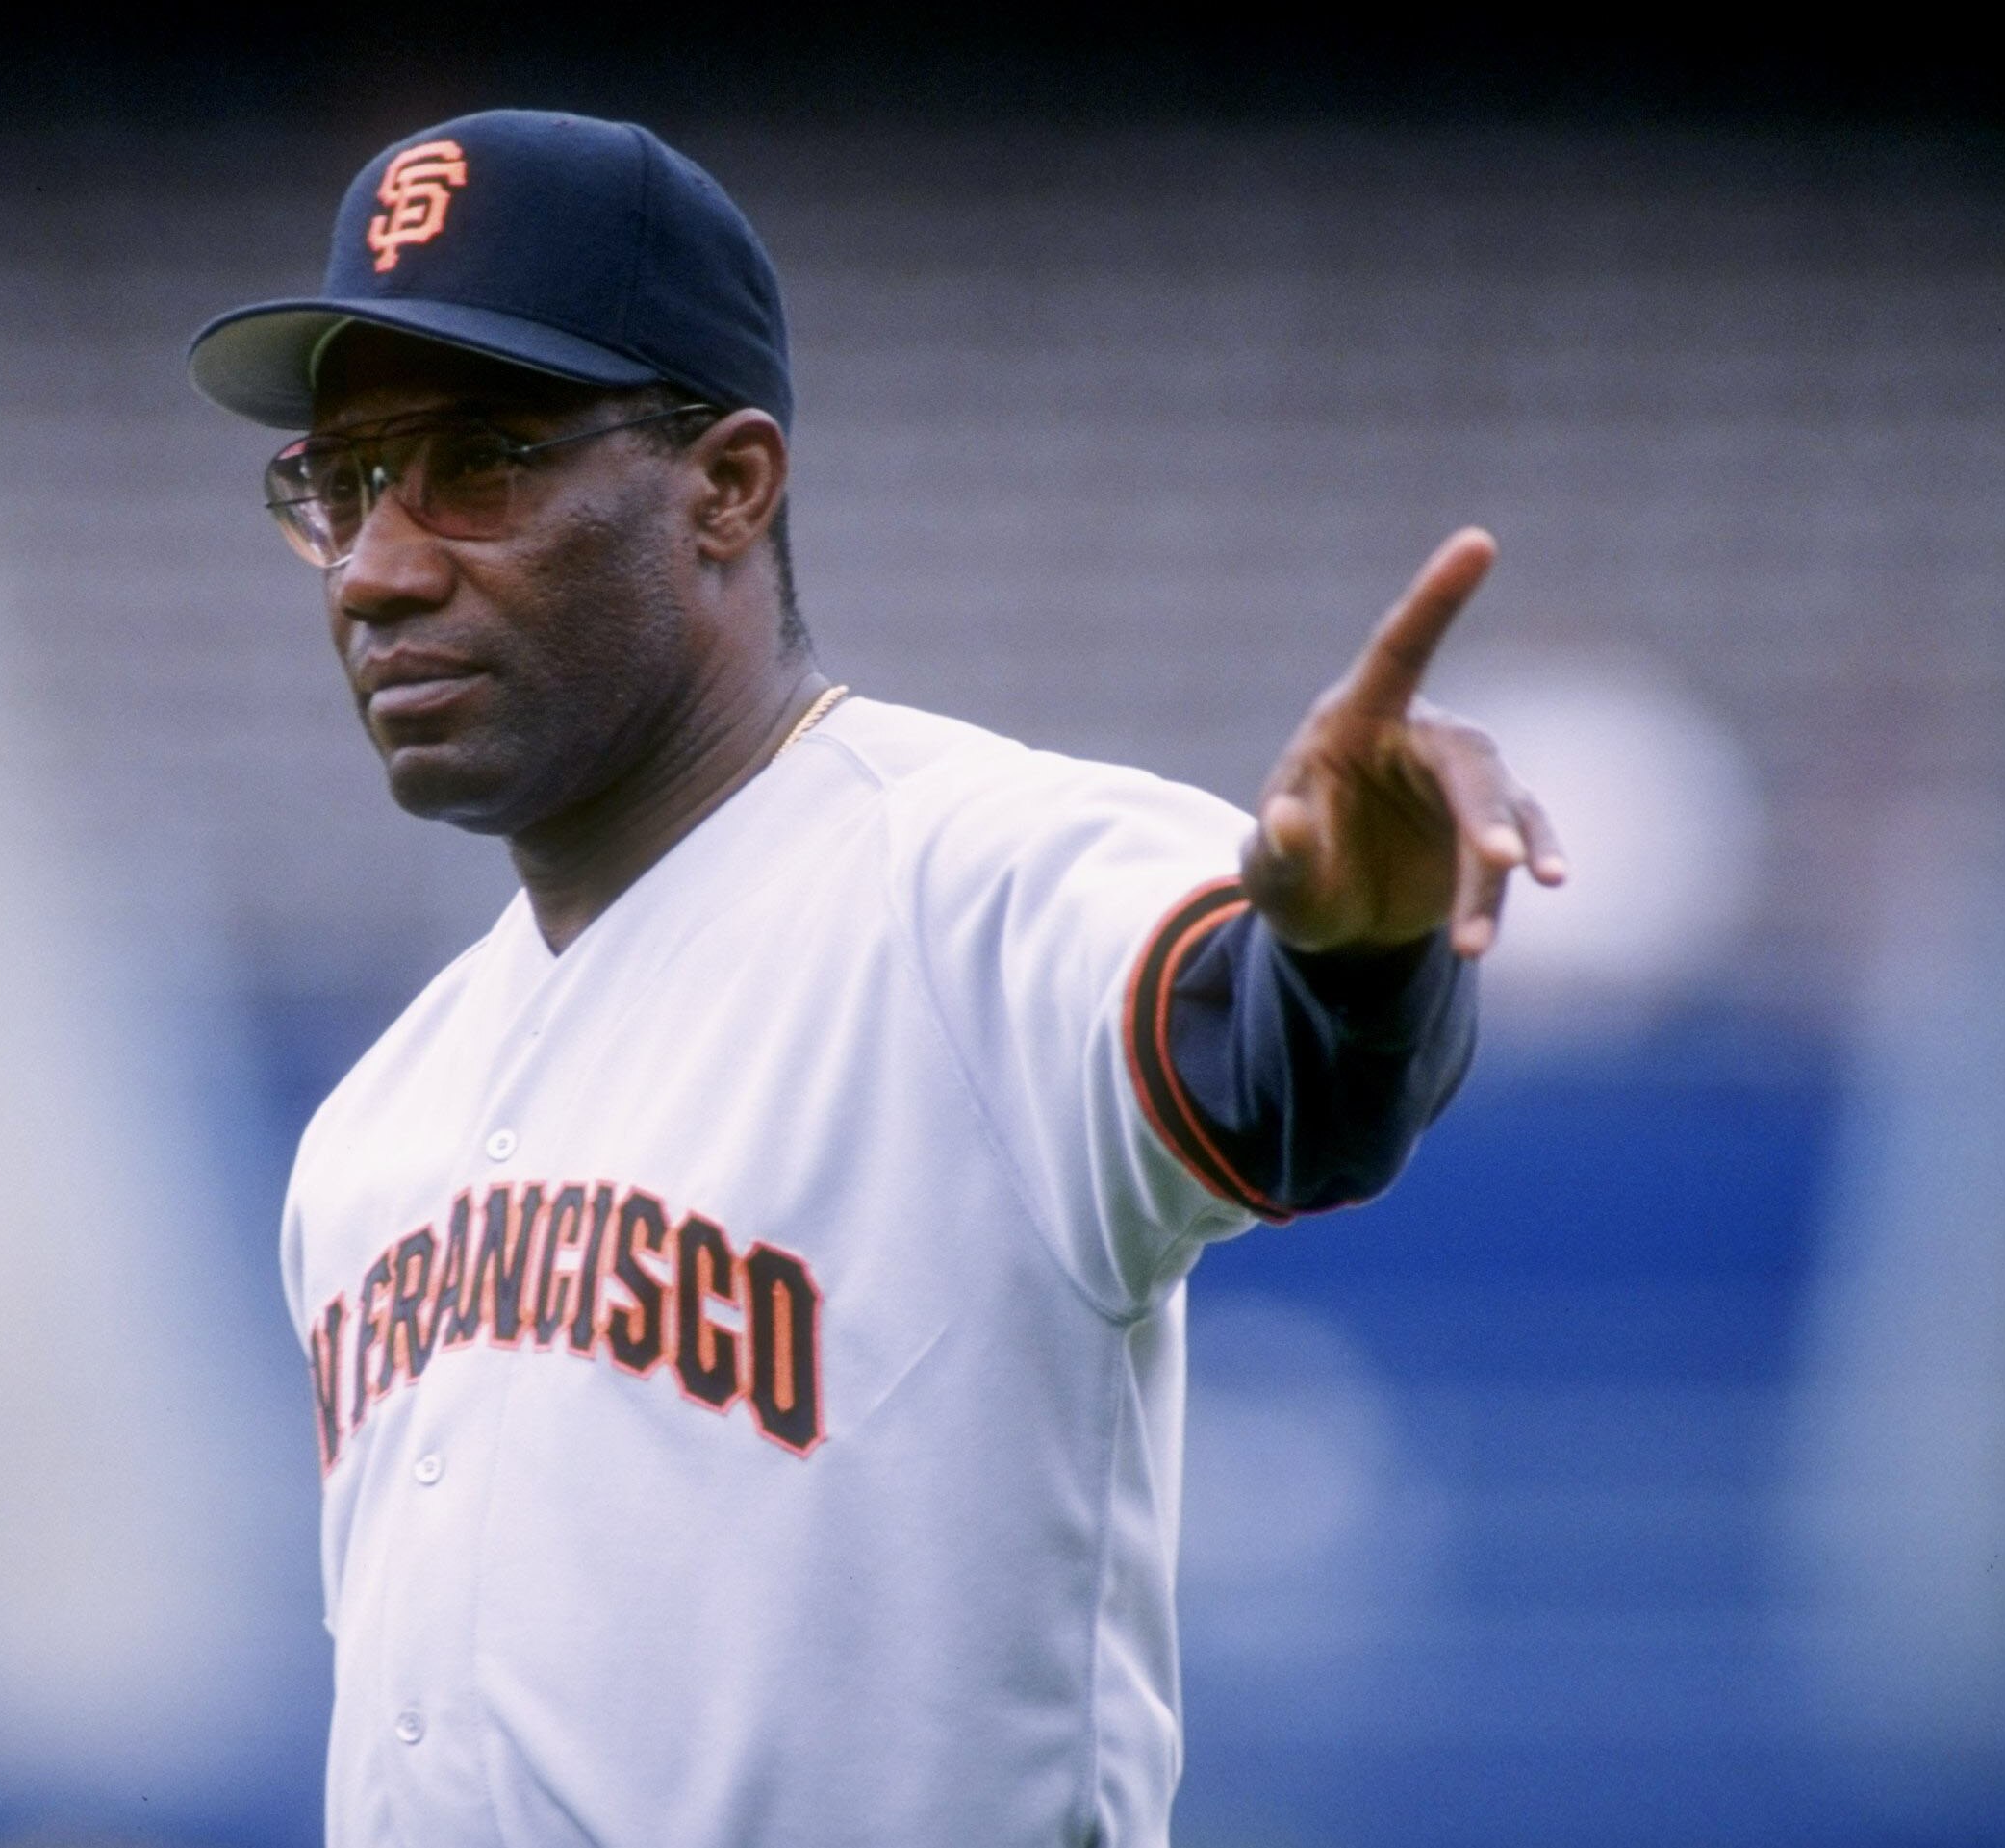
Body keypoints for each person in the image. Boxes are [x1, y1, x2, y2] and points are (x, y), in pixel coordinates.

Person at [187, 109, 1561, 1848]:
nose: (380, 567)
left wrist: (1356, 945)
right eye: (343, 482)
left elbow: (1284, 1079)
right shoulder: (369, 1131)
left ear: (727, 485)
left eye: (479, 459)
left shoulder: (978, 878)